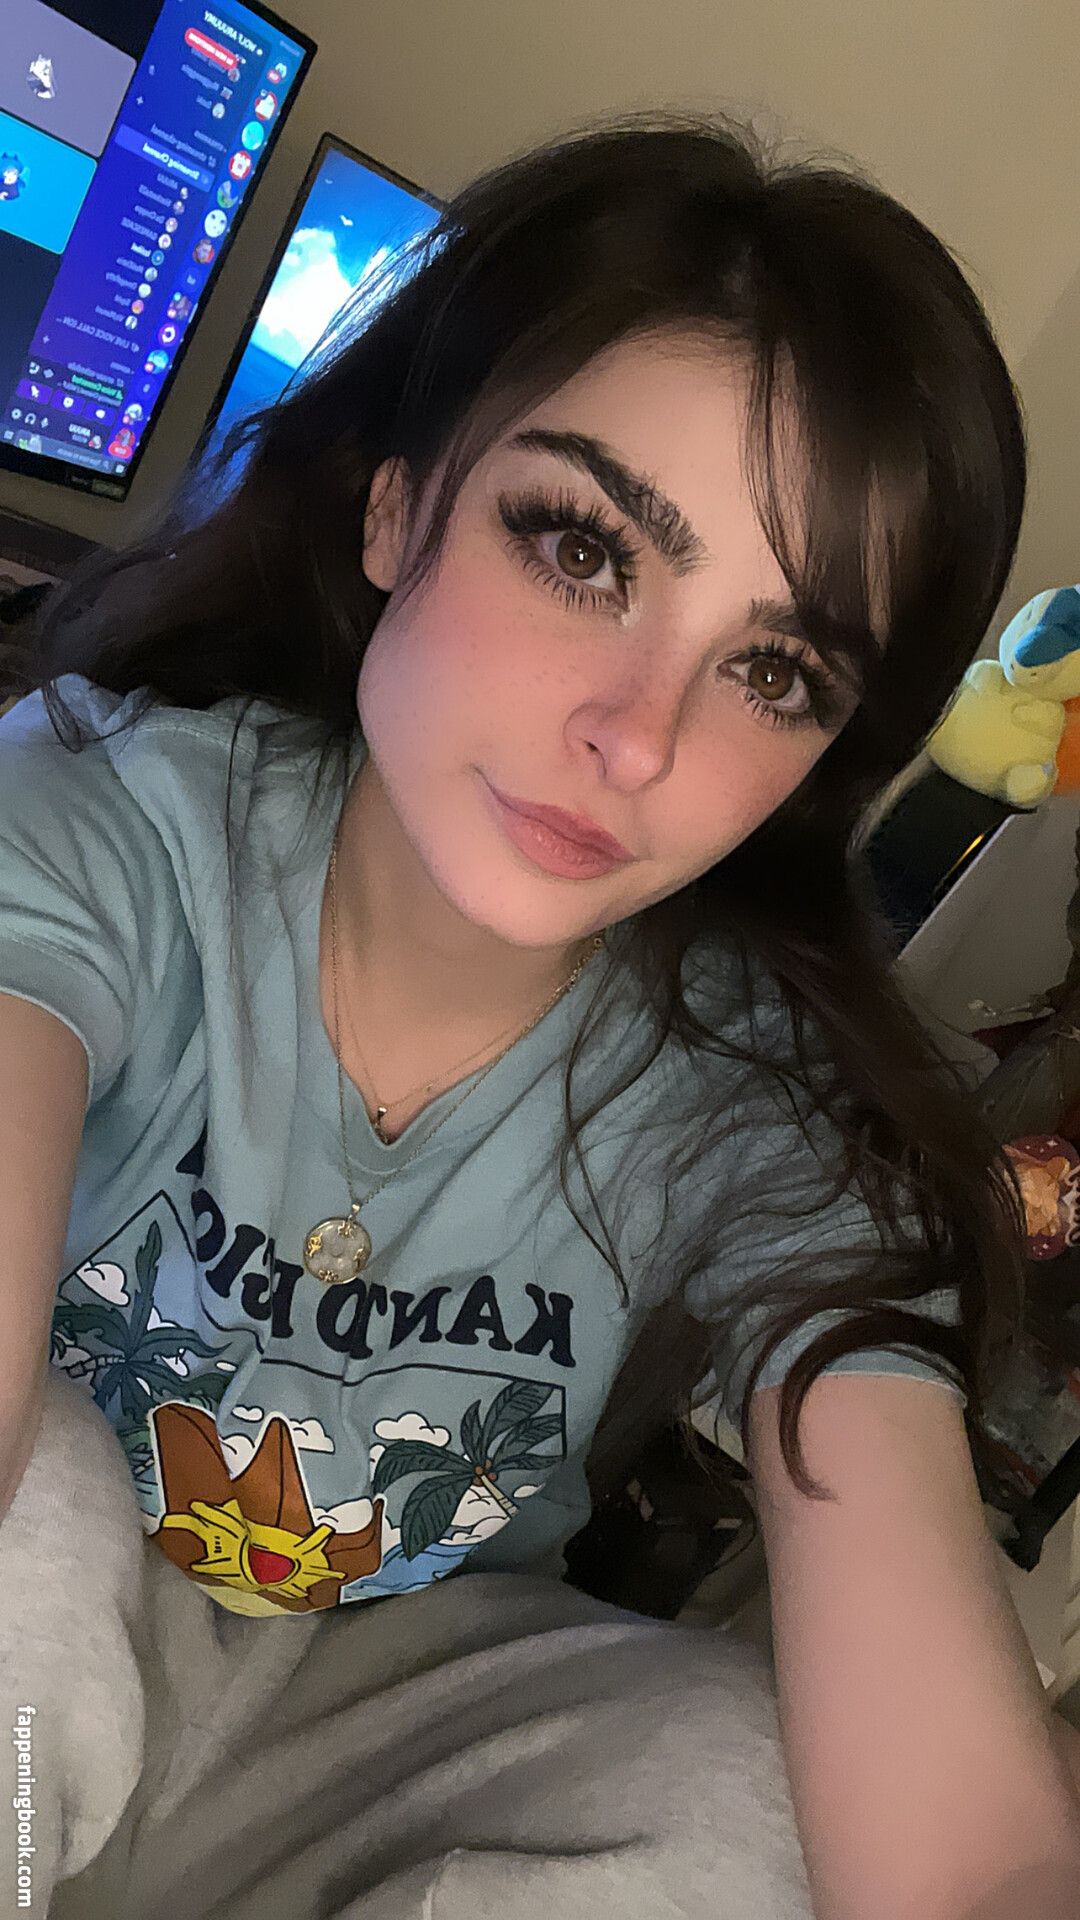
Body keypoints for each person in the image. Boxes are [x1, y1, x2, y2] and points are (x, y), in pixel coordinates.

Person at [2, 111, 1079, 1920]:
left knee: (746, 1785)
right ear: (397, 504)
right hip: (43, 1658)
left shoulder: (756, 1101)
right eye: (584, 550)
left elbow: (961, 1824)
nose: (639, 736)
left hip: (390, 1735)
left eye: (774, 668)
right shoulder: (101, 819)